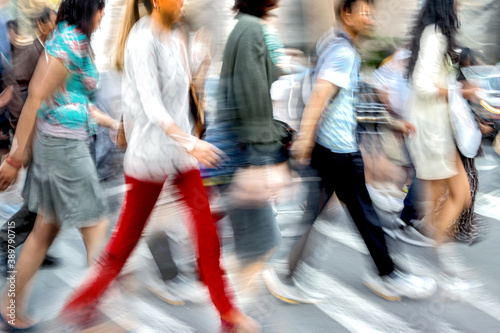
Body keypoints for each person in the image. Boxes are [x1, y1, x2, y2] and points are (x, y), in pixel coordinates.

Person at [60, 0, 259, 331]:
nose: (182, 1)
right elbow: (153, 106)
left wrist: (200, 64)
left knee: (207, 234)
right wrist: (191, 142)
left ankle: (228, 314)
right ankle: (82, 302)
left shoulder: (174, 35)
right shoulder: (141, 40)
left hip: (180, 158)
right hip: (149, 159)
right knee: (124, 243)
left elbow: (180, 97)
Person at [263, 0, 437, 303]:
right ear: (347, 14)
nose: (370, 20)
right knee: (363, 214)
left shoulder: (336, 45)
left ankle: (288, 275)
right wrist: (305, 139)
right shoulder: (342, 52)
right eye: (365, 13)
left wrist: (390, 122)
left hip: (332, 149)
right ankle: (387, 275)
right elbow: (320, 95)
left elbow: (349, 103)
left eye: (372, 13)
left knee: (341, 214)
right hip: (338, 151)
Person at [0, 0, 109, 329]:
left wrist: (113, 125)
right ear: (87, 8)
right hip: (64, 147)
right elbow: (35, 95)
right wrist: (16, 157)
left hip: (62, 141)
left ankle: (9, 305)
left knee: (42, 232)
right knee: (98, 228)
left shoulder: (69, 38)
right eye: (101, 8)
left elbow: (76, 99)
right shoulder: (70, 41)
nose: (104, 15)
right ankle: (94, 315)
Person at [405, 0, 478, 251]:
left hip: (438, 130)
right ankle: (440, 261)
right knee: (460, 195)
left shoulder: (436, 35)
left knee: (450, 199)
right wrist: (457, 91)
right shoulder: (435, 35)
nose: (461, 8)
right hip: (432, 131)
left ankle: (435, 254)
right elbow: (422, 84)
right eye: (457, 3)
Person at [0, 8, 58, 277]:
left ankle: (35, 248)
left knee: (42, 199)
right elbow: (17, 95)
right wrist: (20, 139)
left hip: (43, 135)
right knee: (38, 201)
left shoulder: (49, 51)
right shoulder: (32, 52)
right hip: (31, 138)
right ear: (42, 24)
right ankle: (5, 243)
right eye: (54, 24)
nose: (57, 29)